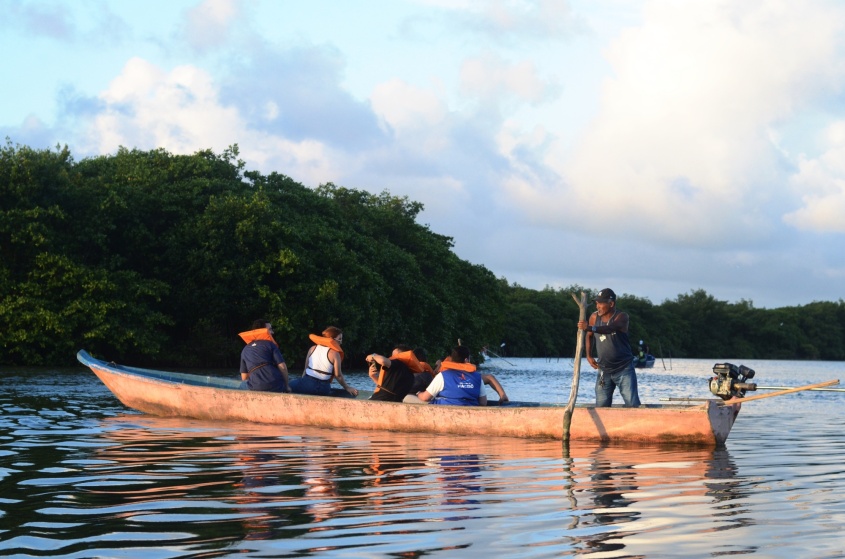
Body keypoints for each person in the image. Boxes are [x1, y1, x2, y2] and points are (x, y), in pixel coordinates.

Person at [577, 288, 641, 407]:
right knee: (601, 406)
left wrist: (590, 327)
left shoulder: (622, 317)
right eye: (596, 303)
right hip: (604, 370)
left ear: (611, 304)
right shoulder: (594, 317)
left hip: (624, 369)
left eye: (600, 303)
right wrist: (589, 355)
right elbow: (589, 335)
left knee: (633, 405)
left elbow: (610, 328)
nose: (597, 306)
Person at [290, 326, 358, 397]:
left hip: (308, 383)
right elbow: (338, 375)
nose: (341, 342)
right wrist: (347, 387)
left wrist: (303, 383)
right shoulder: (335, 354)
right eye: (339, 339)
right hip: (324, 388)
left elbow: (305, 369)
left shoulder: (312, 349)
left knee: (288, 385)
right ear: (332, 339)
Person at [415, 346, 488, 406]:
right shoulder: (478, 377)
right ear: (466, 360)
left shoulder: (443, 375)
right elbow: (483, 402)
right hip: (471, 411)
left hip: (445, 410)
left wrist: (418, 394)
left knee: (408, 397)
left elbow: (425, 398)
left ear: (452, 360)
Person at [238, 319, 291, 392]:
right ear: (262, 331)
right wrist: (287, 386)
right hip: (276, 386)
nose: (272, 332)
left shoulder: (245, 350)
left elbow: (244, 377)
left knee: (242, 385)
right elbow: (283, 367)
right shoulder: (271, 345)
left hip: (255, 387)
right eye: (270, 330)